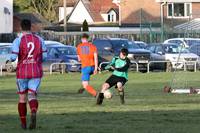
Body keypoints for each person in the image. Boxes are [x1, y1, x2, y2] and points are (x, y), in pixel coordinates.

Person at [10, 19, 47, 130]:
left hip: (22, 72)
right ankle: (34, 111)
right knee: (32, 95)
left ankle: (23, 123)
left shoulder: (18, 40)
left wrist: (12, 59)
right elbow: (44, 57)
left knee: (22, 98)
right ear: (31, 27)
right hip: (35, 71)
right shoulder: (40, 39)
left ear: (21, 28)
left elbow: (13, 57)